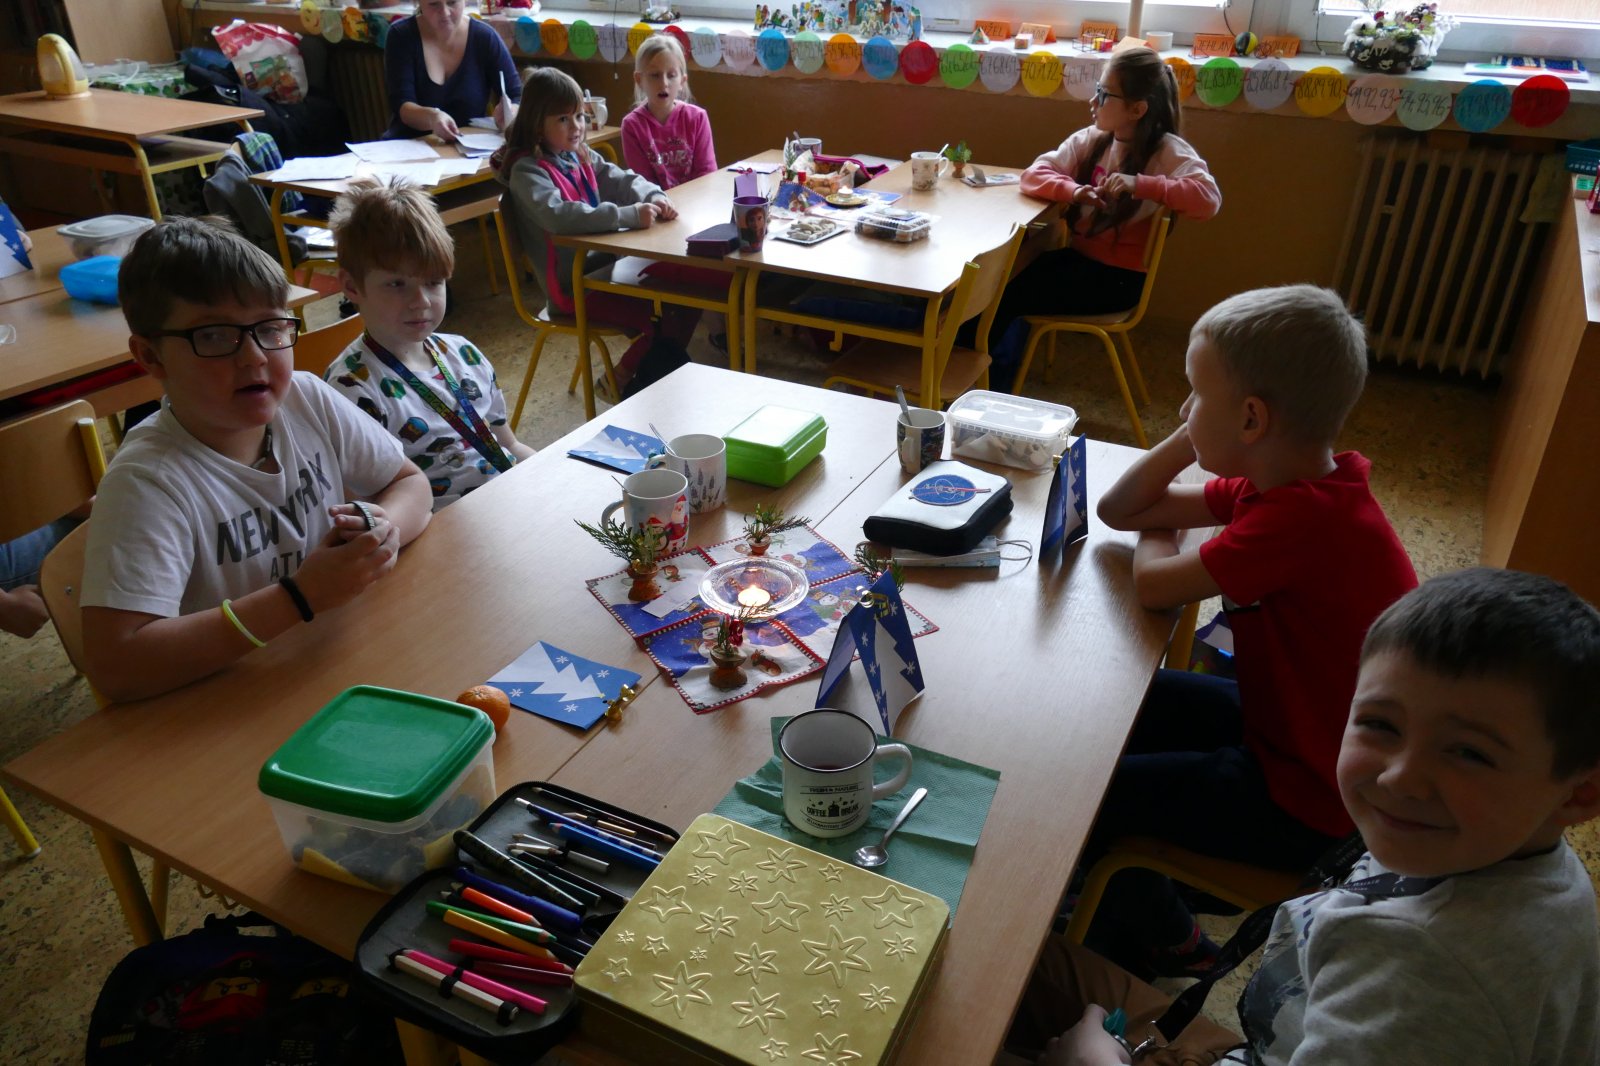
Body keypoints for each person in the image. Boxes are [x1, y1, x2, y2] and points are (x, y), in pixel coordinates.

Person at [1012, 568, 1600, 1066]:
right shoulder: (1517, 855)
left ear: (1581, 792)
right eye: (1380, 725)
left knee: (989, 980)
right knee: (1011, 958)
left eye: (1469, 753)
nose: (1397, 778)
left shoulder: (1422, 971)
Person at [1089, 285, 1417, 978]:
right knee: (1128, 702)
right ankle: (1147, 885)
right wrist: (1196, 438)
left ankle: (1167, 936)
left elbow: (1152, 585)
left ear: (1251, 419)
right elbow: (1121, 509)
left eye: (1194, 395)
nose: (1183, 412)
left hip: (1310, 799)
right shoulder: (1286, 483)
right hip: (1287, 731)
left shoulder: (1300, 522)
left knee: (1096, 797)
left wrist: (1164, 527)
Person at [79, 218, 433, 702]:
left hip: (328, 660)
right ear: (151, 357)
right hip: (227, 703)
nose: (254, 358)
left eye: (270, 328)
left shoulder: (305, 398)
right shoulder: (147, 481)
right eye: (214, 336)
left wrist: (383, 529)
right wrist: (300, 597)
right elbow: (116, 667)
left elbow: (410, 483)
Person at [983, 47, 1220, 393]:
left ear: (1137, 110)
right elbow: (1033, 175)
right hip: (1080, 262)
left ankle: (982, 383)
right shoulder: (1092, 139)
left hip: (1117, 282)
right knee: (1002, 275)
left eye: (1105, 94)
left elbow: (1208, 200)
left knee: (1006, 294)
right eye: (1097, 90)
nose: (1093, 101)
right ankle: (974, 368)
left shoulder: (1167, 151)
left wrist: (1142, 185)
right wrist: (1075, 192)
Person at [497, 66, 708, 395]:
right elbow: (559, 216)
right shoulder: (527, 171)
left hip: (607, 269)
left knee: (690, 297)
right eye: (563, 119)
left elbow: (623, 179)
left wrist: (653, 196)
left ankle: (652, 377)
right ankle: (618, 379)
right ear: (537, 124)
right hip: (572, 289)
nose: (576, 127)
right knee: (663, 318)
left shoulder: (577, 154)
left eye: (579, 116)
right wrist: (627, 215)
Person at [325, 178, 533, 510]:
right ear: (351, 287)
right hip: (436, 529)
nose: (420, 301)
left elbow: (508, 445)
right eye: (397, 284)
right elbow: (370, 510)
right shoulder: (351, 390)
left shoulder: (464, 354)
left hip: (506, 504)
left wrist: (554, 477)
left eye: (434, 282)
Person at [385, 0, 520, 140]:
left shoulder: (485, 38)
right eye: (433, 4)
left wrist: (511, 111)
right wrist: (433, 117)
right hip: (409, 144)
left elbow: (516, 94)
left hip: (468, 146)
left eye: (452, 2)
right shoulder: (401, 35)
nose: (445, 13)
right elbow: (402, 106)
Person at [620, 35, 717, 191]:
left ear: (682, 81)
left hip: (696, 200)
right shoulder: (632, 126)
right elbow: (643, 184)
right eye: (655, 75)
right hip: (657, 202)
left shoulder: (697, 118)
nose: (664, 83)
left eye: (671, 76)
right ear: (639, 79)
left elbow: (707, 174)